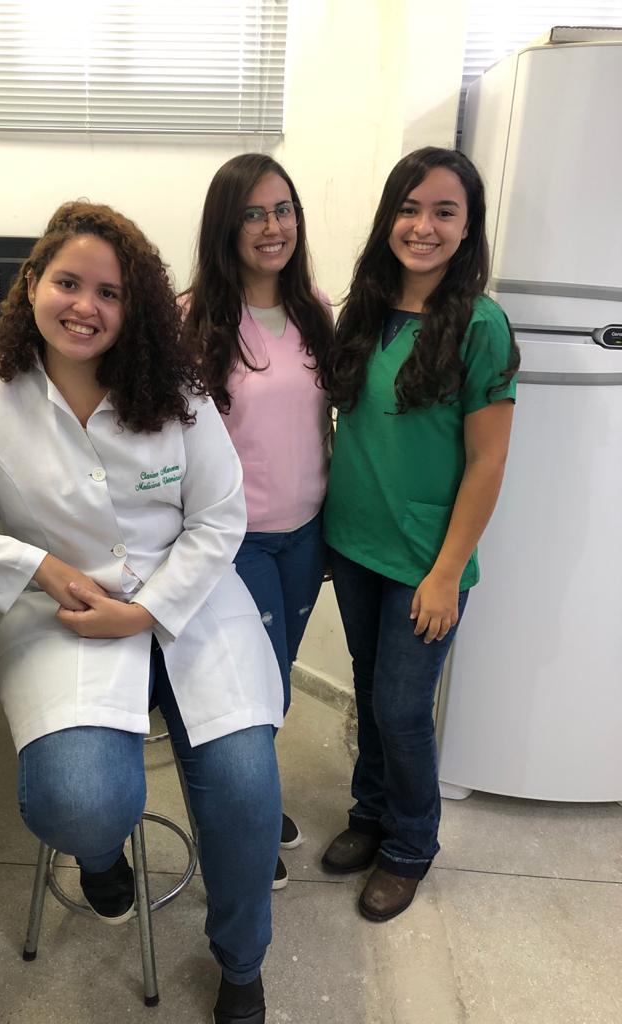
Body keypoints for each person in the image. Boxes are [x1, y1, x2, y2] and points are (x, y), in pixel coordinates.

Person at [0, 200, 284, 1024]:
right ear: (32, 283)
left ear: (135, 309)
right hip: (64, 614)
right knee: (78, 800)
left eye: (110, 292)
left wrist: (149, 611)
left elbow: (219, 519)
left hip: (194, 603)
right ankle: (102, 860)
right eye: (68, 282)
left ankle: (241, 962)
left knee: (247, 793)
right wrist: (35, 565)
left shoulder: (177, 391)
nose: (85, 306)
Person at [319, 148, 520, 921]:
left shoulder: (481, 325)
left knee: (402, 709)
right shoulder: (365, 308)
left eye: (444, 211)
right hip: (354, 544)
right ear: (388, 217)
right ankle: (370, 812)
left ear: (469, 227)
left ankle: (410, 844)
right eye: (409, 208)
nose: (423, 226)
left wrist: (446, 573)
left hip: (426, 561)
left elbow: (488, 462)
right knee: (373, 693)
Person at [181, 153, 333, 891]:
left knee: (276, 685)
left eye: (283, 210)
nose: (273, 227)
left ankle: (255, 807)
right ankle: (245, 824)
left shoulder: (317, 309)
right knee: (249, 695)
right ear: (226, 226)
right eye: (253, 214)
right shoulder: (192, 319)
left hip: (306, 533)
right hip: (233, 541)